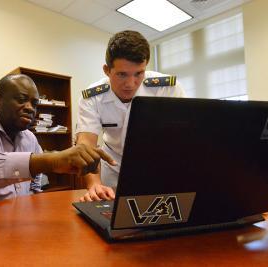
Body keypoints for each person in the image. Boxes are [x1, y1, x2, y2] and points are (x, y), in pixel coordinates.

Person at [0, 74, 115, 226]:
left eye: (35, 103)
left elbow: (34, 186)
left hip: (2, 228)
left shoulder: (29, 138)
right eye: (22, 100)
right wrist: (50, 160)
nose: (30, 108)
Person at [76, 30, 186, 202]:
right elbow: (85, 147)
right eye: (122, 74)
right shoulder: (92, 97)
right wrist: (94, 185)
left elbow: (182, 138)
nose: (130, 83)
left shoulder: (167, 88)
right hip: (113, 166)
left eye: (138, 73)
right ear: (107, 70)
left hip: (157, 164)